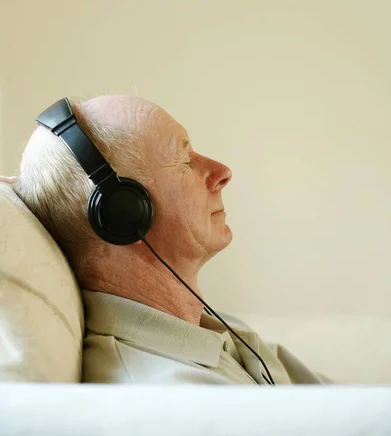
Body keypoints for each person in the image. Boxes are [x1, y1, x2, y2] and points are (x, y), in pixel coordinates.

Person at [14, 94, 333, 385]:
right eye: (184, 162)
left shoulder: (212, 330)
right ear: (123, 214)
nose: (222, 172)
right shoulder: (174, 394)